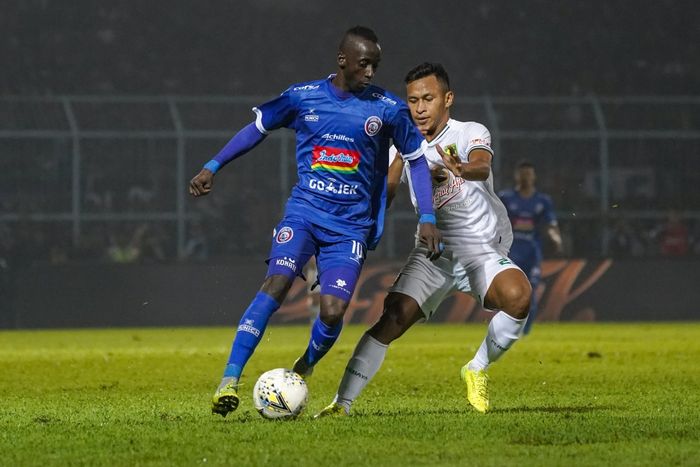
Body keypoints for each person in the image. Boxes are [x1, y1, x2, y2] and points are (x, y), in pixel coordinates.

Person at [188, 26, 442, 417]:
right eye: (364, 64)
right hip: (304, 214)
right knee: (276, 284)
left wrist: (426, 215)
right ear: (343, 60)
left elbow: (417, 161)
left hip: (350, 228)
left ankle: (303, 366)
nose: (371, 73)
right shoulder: (302, 97)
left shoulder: (388, 108)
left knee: (332, 312)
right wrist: (213, 165)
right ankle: (229, 380)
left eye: (375, 65)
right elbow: (256, 130)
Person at [316, 62, 531, 417]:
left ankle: (476, 368)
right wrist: (402, 153)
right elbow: (384, 196)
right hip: (433, 253)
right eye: (413, 100)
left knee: (518, 297)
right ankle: (342, 404)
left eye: (427, 99)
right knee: (392, 319)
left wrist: (458, 167)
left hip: (481, 251)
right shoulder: (402, 144)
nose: (419, 108)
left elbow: (482, 165)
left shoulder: (468, 132)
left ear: (447, 99)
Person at [499, 161, 562, 334]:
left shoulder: (543, 201)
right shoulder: (506, 198)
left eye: (529, 173)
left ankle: (524, 332)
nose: (526, 177)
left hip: (532, 252)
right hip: (511, 251)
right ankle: (506, 328)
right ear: (517, 176)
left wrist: (555, 237)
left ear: (534, 177)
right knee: (510, 292)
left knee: (530, 292)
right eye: (522, 173)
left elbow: (551, 224)